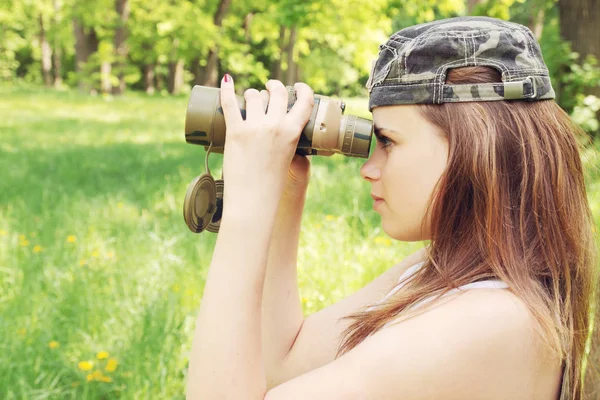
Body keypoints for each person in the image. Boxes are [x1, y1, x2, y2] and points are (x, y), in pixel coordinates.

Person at [185, 16, 598, 400]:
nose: (369, 168)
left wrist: (246, 212)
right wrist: (286, 192)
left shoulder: (494, 320)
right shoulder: (445, 269)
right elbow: (282, 366)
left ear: (473, 149)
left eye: (387, 141)